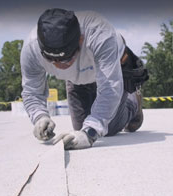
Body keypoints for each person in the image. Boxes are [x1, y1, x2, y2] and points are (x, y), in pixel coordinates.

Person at [21, 8, 148, 150]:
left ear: (80, 40)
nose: (58, 65)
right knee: (79, 129)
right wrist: (39, 117)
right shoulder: (30, 49)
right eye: (50, 59)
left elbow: (110, 88)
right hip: (77, 79)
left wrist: (90, 132)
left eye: (66, 59)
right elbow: (32, 92)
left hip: (112, 70)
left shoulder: (100, 34)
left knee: (107, 129)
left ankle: (133, 103)